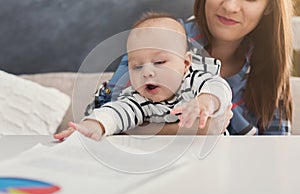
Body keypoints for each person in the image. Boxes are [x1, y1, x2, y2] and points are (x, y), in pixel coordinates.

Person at [84, 0, 294, 135]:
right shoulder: (159, 38)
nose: (230, 6)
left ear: (269, 6)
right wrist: (189, 131)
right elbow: (103, 114)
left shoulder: (268, 65)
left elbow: (277, 152)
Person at [54, 13, 232, 141]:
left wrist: (206, 101)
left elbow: (219, 87)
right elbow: (116, 113)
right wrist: (93, 126)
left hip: (215, 155)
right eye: (137, 66)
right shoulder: (139, 99)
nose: (146, 72)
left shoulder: (194, 81)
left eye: (160, 62)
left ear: (185, 64)